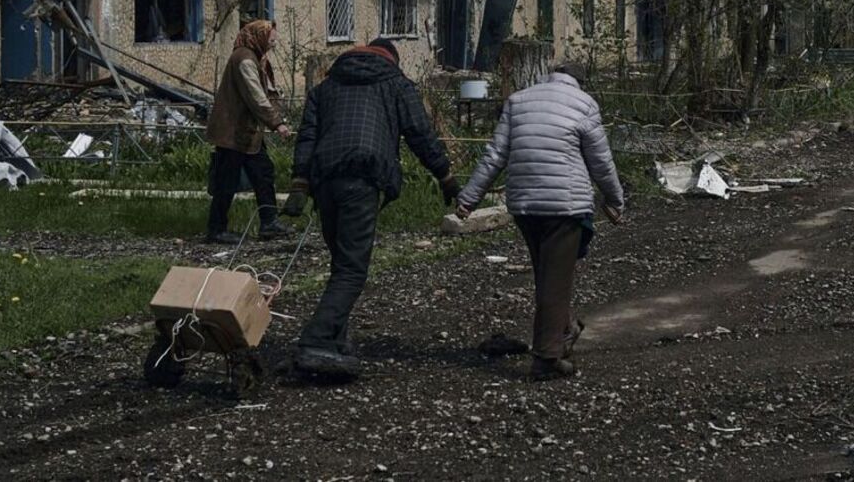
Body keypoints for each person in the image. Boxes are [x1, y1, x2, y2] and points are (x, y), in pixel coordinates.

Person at [290, 37, 459, 378]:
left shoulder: (324, 89)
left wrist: (299, 182)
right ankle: (315, 341)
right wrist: (445, 175)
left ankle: (335, 340)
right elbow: (419, 133)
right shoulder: (396, 84)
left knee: (341, 261)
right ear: (391, 59)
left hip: (325, 181)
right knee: (352, 268)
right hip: (362, 176)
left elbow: (308, 135)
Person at [454, 64, 625, 380]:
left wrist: (468, 199)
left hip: (525, 206)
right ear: (578, 81)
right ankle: (546, 358)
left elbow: (495, 155)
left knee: (547, 275)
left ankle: (564, 331)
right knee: (555, 281)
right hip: (565, 205)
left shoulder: (518, 101)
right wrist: (614, 199)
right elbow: (600, 160)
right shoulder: (583, 103)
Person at [204, 19, 289, 244]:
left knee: (263, 173)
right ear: (259, 37)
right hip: (233, 131)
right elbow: (255, 96)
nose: (273, 45)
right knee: (226, 182)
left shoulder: (255, 57)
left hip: (247, 132)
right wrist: (276, 122)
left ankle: (269, 222)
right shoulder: (244, 59)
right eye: (270, 40)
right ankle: (216, 229)